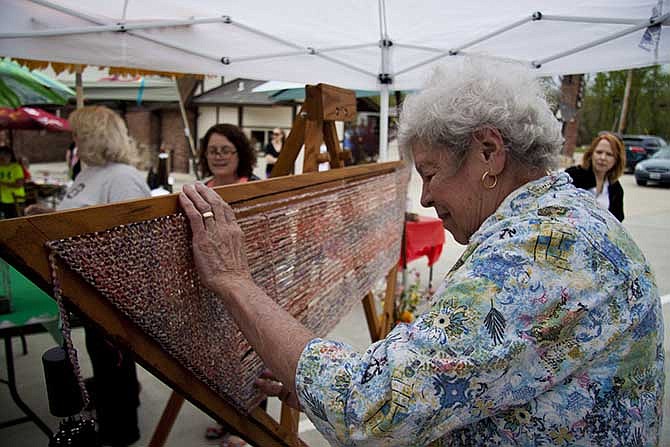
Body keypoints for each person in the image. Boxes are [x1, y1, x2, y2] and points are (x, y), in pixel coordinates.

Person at [178, 59, 663, 446]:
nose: (426, 197)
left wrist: (233, 279)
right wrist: (324, 390)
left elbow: (367, 408)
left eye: (430, 173)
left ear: (489, 152)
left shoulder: (534, 256)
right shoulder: (568, 216)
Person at [28, 106, 150, 446]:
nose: (74, 138)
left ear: (94, 135)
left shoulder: (122, 178)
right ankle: (114, 422)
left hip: (111, 295)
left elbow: (133, 245)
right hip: (86, 293)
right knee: (104, 362)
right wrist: (50, 216)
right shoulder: (89, 171)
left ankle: (122, 434)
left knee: (114, 365)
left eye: (78, 133)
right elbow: (82, 220)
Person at [198, 123, 260, 447]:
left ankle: (247, 428)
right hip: (211, 294)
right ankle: (223, 418)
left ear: (240, 153)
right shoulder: (198, 191)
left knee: (251, 357)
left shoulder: (255, 188)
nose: (219, 156)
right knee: (220, 362)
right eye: (212, 150)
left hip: (252, 285)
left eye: (225, 150)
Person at [566, 133, 625, 222]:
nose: (603, 157)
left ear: (617, 160)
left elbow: (617, 222)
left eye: (609, 154)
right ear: (591, 154)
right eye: (599, 152)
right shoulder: (573, 175)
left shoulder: (616, 189)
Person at [0, 145, 25, 219]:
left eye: (2, 158)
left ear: (9, 157)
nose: (1, 160)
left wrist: (3, 183)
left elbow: (19, 184)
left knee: (16, 221)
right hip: (3, 199)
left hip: (16, 200)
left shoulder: (16, 167)